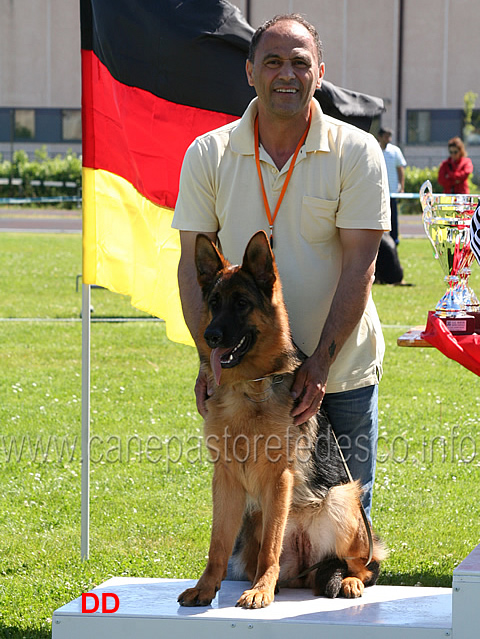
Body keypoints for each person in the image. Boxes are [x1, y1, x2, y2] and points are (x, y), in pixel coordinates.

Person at [173, 14, 390, 517]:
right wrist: (210, 360)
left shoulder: (356, 152)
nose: (286, 74)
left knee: (339, 543)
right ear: (249, 71)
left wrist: (319, 366)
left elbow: (361, 265)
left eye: (300, 62)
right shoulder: (209, 153)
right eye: (272, 62)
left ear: (320, 72)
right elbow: (192, 268)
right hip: (247, 382)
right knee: (248, 551)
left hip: (341, 376)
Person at [377, 127, 407, 244]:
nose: (388, 138)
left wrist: (402, 187)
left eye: (390, 135)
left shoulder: (395, 151)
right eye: (386, 135)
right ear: (380, 136)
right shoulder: (375, 149)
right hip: (378, 192)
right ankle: (380, 240)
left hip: (392, 191)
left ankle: (395, 239)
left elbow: (400, 169)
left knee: (393, 217)